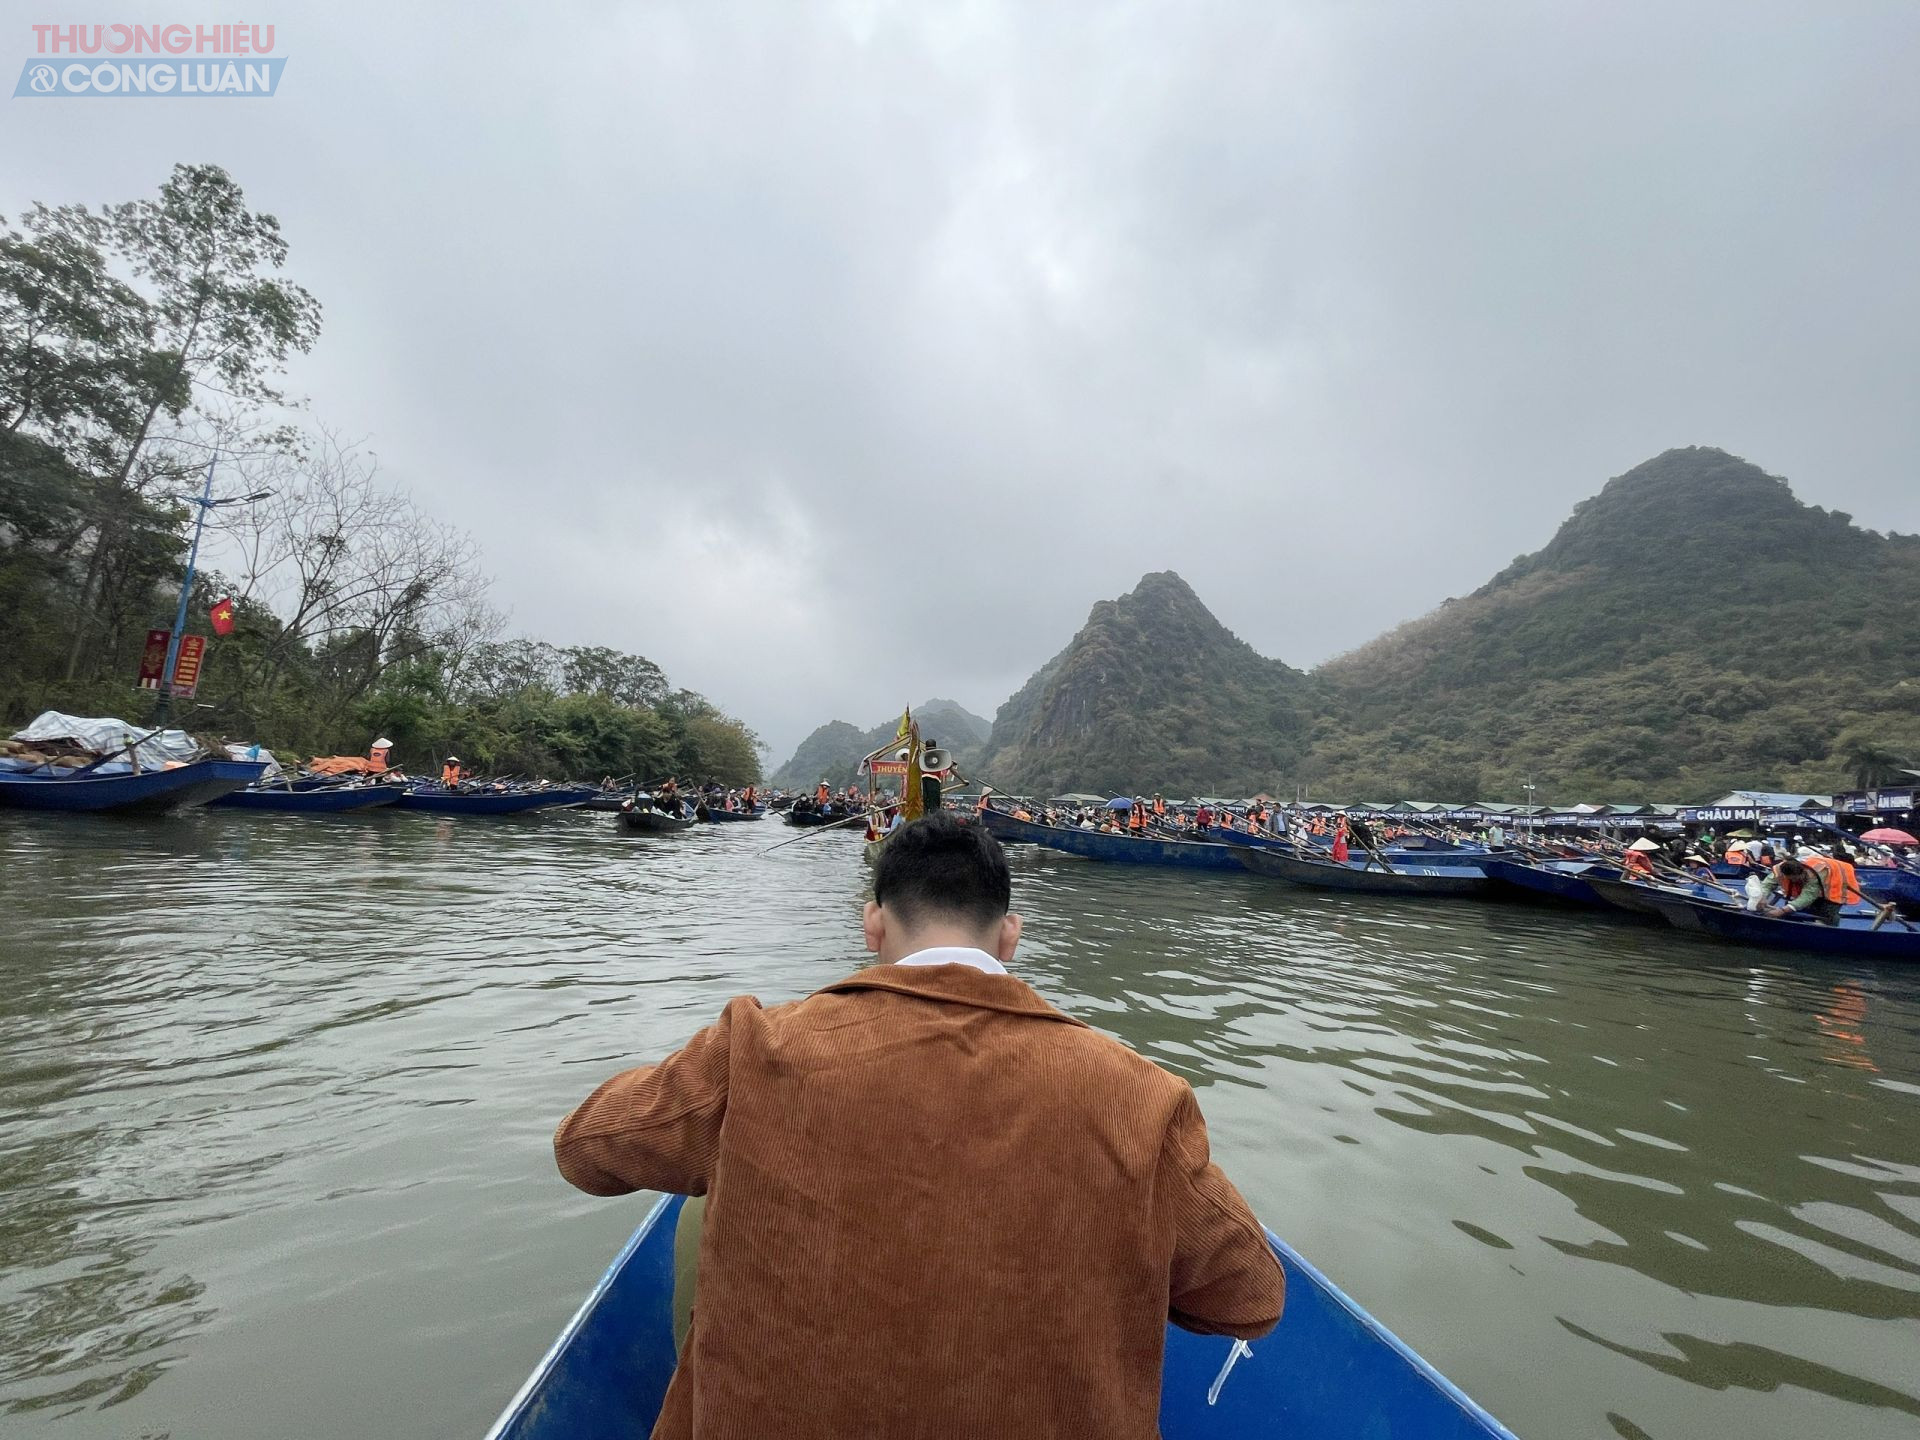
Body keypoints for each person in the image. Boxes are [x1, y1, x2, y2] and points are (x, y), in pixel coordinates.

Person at [553, 814, 1283, 1437]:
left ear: (873, 922)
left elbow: (584, 1150)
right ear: (1010, 936)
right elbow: (1248, 1297)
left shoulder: (757, 1050)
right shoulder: (1140, 1097)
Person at [1759, 857, 1844, 924]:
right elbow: (1767, 884)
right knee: (1796, 910)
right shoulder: (1781, 870)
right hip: (1809, 889)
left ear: (1803, 872)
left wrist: (1783, 910)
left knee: (1827, 913)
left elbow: (1808, 896)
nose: (1794, 881)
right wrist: (1762, 897)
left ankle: (1828, 931)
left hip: (1836, 885)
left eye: (1797, 878)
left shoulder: (1815, 874)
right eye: (1791, 879)